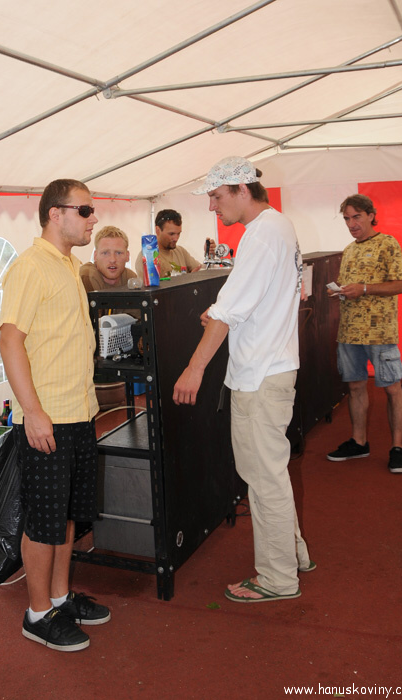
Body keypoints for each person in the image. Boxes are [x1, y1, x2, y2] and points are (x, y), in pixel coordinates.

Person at [173, 156, 314, 603]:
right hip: (271, 369)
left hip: (260, 376)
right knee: (271, 473)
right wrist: (222, 313)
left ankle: (277, 578)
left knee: (263, 477)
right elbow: (246, 303)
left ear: (241, 189)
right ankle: (293, 554)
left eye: (216, 196)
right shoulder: (277, 226)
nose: (212, 206)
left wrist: (195, 367)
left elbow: (229, 312)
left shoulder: (262, 234)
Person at [0, 179, 111, 652]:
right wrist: (32, 412)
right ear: (55, 214)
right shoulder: (30, 266)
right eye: (84, 210)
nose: (92, 218)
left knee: (66, 516)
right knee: (44, 521)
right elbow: (10, 341)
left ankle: (60, 598)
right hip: (47, 418)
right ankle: (37, 612)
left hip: (78, 411)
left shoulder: (67, 264)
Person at [327, 194, 402, 473]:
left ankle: (397, 448)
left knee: (392, 388)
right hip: (349, 332)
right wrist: (339, 291)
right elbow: (349, 286)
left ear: (371, 215)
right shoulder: (349, 250)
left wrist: (364, 289)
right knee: (355, 387)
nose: (352, 224)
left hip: (380, 332)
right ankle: (359, 442)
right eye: (346, 219)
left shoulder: (388, 243)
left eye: (357, 217)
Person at [135, 209, 212, 278]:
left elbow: (202, 271)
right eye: (171, 234)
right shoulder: (147, 257)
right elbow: (151, 288)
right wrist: (189, 279)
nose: (176, 238)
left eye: (178, 233)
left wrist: (209, 257)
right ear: (157, 230)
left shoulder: (180, 251)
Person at [80, 225, 137, 292]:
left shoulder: (130, 278)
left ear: (127, 256)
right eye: (105, 253)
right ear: (95, 256)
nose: (112, 260)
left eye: (118, 253)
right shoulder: (87, 276)